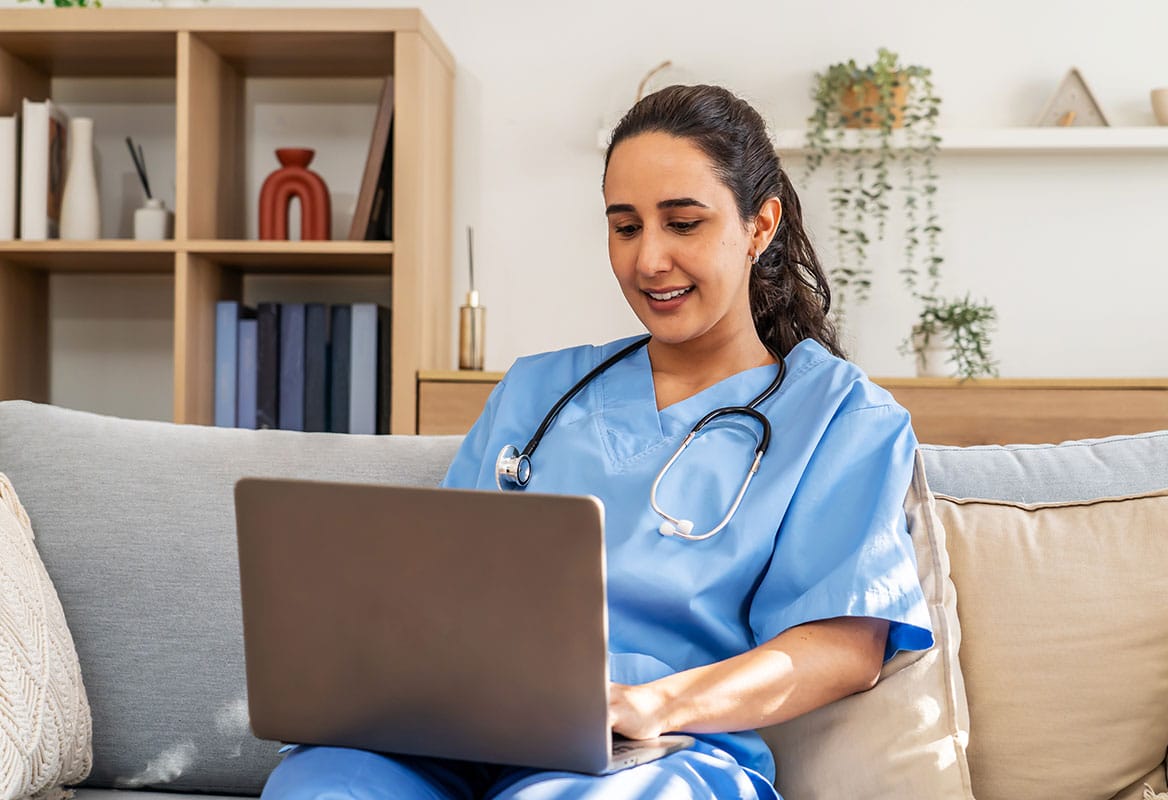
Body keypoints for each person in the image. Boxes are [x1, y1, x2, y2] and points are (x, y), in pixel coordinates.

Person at [261, 84, 934, 800]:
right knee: (319, 783)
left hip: (654, 752)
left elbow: (843, 648)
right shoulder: (537, 390)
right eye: (625, 226)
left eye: (682, 223)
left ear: (759, 226)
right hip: (456, 733)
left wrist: (656, 704)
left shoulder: (841, 417)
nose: (649, 260)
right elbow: (438, 590)